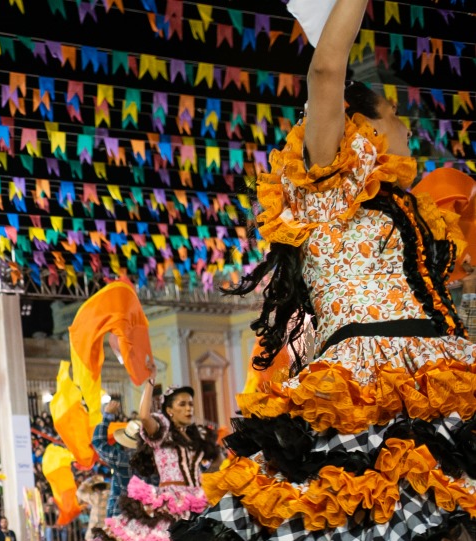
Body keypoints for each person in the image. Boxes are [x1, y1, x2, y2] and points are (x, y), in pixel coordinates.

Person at [174, 2, 476, 540]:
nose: (407, 127)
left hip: (441, 372)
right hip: (361, 379)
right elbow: (325, 71)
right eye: (394, 116)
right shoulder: (326, 189)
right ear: (360, 125)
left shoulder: (405, 208)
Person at [97, 384, 217, 541]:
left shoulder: (188, 439)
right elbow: (145, 417)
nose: (189, 409)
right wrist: (149, 383)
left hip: (195, 500)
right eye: (182, 404)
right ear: (169, 411)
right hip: (171, 502)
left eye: (190, 404)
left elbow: (99, 443)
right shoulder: (161, 439)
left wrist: (107, 418)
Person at [90, 397, 135, 517]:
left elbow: (98, 441)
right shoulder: (157, 459)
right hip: (149, 519)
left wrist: (107, 416)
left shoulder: (124, 460)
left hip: (122, 516)